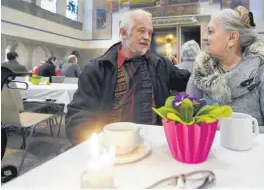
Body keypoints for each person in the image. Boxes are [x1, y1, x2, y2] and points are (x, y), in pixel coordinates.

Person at [65, 9, 190, 145]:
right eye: (141, 31)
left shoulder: (159, 64)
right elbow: (79, 115)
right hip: (113, 147)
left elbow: (187, 81)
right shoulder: (98, 69)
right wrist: (96, 146)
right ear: (123, 32)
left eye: (149, 32)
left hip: (155, 145)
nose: (147, 37)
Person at [186, 7, 264, 132]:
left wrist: (232, 129)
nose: (204, 38)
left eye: (210, 31)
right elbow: (187, 119)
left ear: (232, 38)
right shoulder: (201, 71)